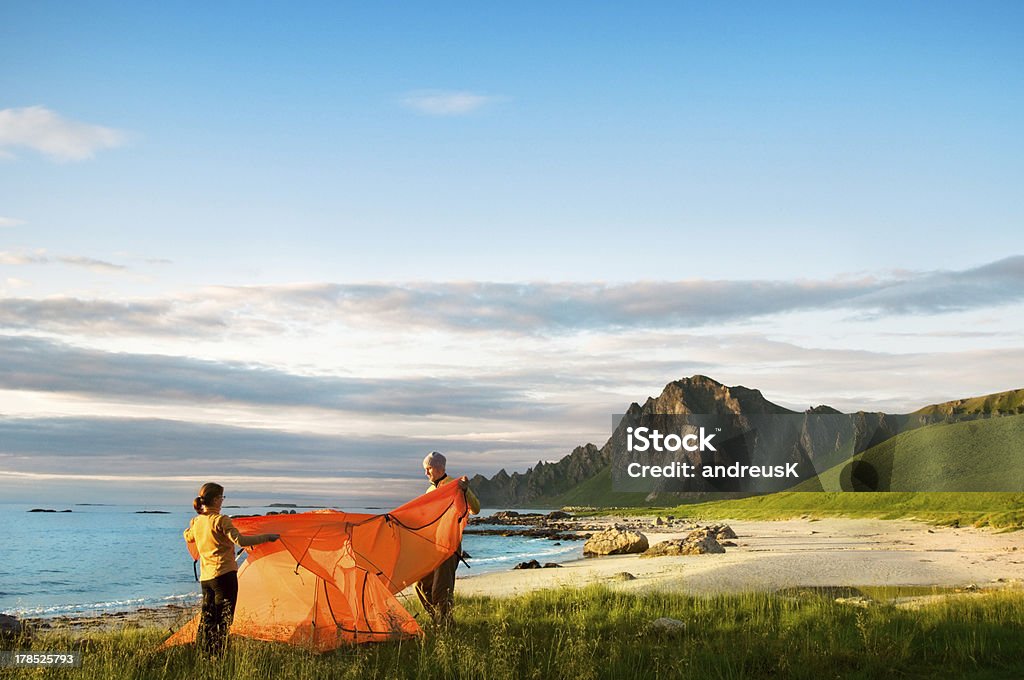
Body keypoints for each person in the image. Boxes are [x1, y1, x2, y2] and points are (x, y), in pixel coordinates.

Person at [183, 482, 279, 657]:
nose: (222, 501)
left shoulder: (197, 522)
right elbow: (240, 541)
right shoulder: (221, 520)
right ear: (214, 499)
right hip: (224, 576)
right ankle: (218, 656)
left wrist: (194, 525)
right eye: (221, 497)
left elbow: (187, 536)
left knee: (208, 617)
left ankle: (203, 653)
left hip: (206, 579)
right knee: (224, 620)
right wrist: (267, 537)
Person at [415, 451, 480, 626]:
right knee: (421, 586)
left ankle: (445, 626)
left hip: (449, 547)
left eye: (428, 469)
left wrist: (465, 491)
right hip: (433, 547)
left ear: (438, 467)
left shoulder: (455, 484)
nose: (426, 473)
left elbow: (476, 509)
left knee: (441, 591)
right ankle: (439, 620)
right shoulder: (429, 490)